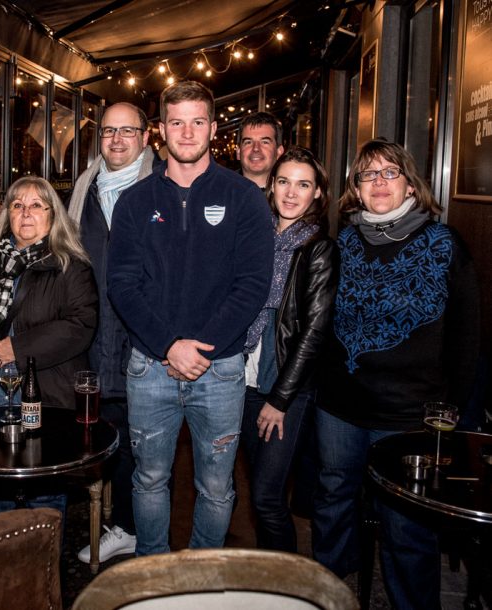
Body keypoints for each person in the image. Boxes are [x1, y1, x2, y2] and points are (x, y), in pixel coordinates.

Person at [106, 80, 273, 555]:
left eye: (197, 121)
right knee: (150, 479)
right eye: (176, 122)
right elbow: (122, 284)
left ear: (213, 128)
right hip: (150, 365)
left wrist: (201, 346)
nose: (186, 131)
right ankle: (154, 575)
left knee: (217, 487)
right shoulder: (135, 202)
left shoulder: (244, 199)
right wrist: (168, 345)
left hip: (219, 369)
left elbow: (252, 285)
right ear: (160, 130)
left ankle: (201, 575)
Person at [312, 139, 480, 610]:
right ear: (356, 190)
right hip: (341, 406)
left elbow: (467, 339)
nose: (379, 182)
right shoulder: (343, 242)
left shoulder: (443, 244)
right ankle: (326, 592)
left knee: (406, 523)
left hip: (410, 416)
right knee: (332, 500)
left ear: (410, 183)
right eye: (368, 175)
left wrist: (453, 412)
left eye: (390, 172)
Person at [0, 176, 98, 516]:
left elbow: (81, 325)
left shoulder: (71, 265)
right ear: (6, 214)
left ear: (52, 215)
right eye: (18, 205)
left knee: (40, 489)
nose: (26, 213)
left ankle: (34, 561)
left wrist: (18, 349)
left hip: (46, 396)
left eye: (37, 205)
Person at [67, 102, 156, 564]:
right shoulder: (84, 188)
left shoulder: (161, 188)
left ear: (146, 137)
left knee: (149, 450)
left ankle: (145, 536)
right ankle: (124, 526)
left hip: (145, 342)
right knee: (110, 439)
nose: (117, 140)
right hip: (95, 339)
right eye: (108, 131)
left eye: (128, 131)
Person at [239, 147, 337, 552]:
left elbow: (314, 331)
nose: (291, 193)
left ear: (317, 193)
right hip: (243, 377)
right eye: (283, 182)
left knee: (266, 496)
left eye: (303, 184)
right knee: (256, 492)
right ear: (271, 186)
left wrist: (280, 399)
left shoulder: (318, 248)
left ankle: (284, 586)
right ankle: (267, 573)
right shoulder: (255, 238)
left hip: (285, 386)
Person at [236, 111, 284, 189]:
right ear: (238, 152)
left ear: (279, 151)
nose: (256, 148)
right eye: (248, 142)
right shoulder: (221, 191)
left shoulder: (290, 195)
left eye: (265, 142)